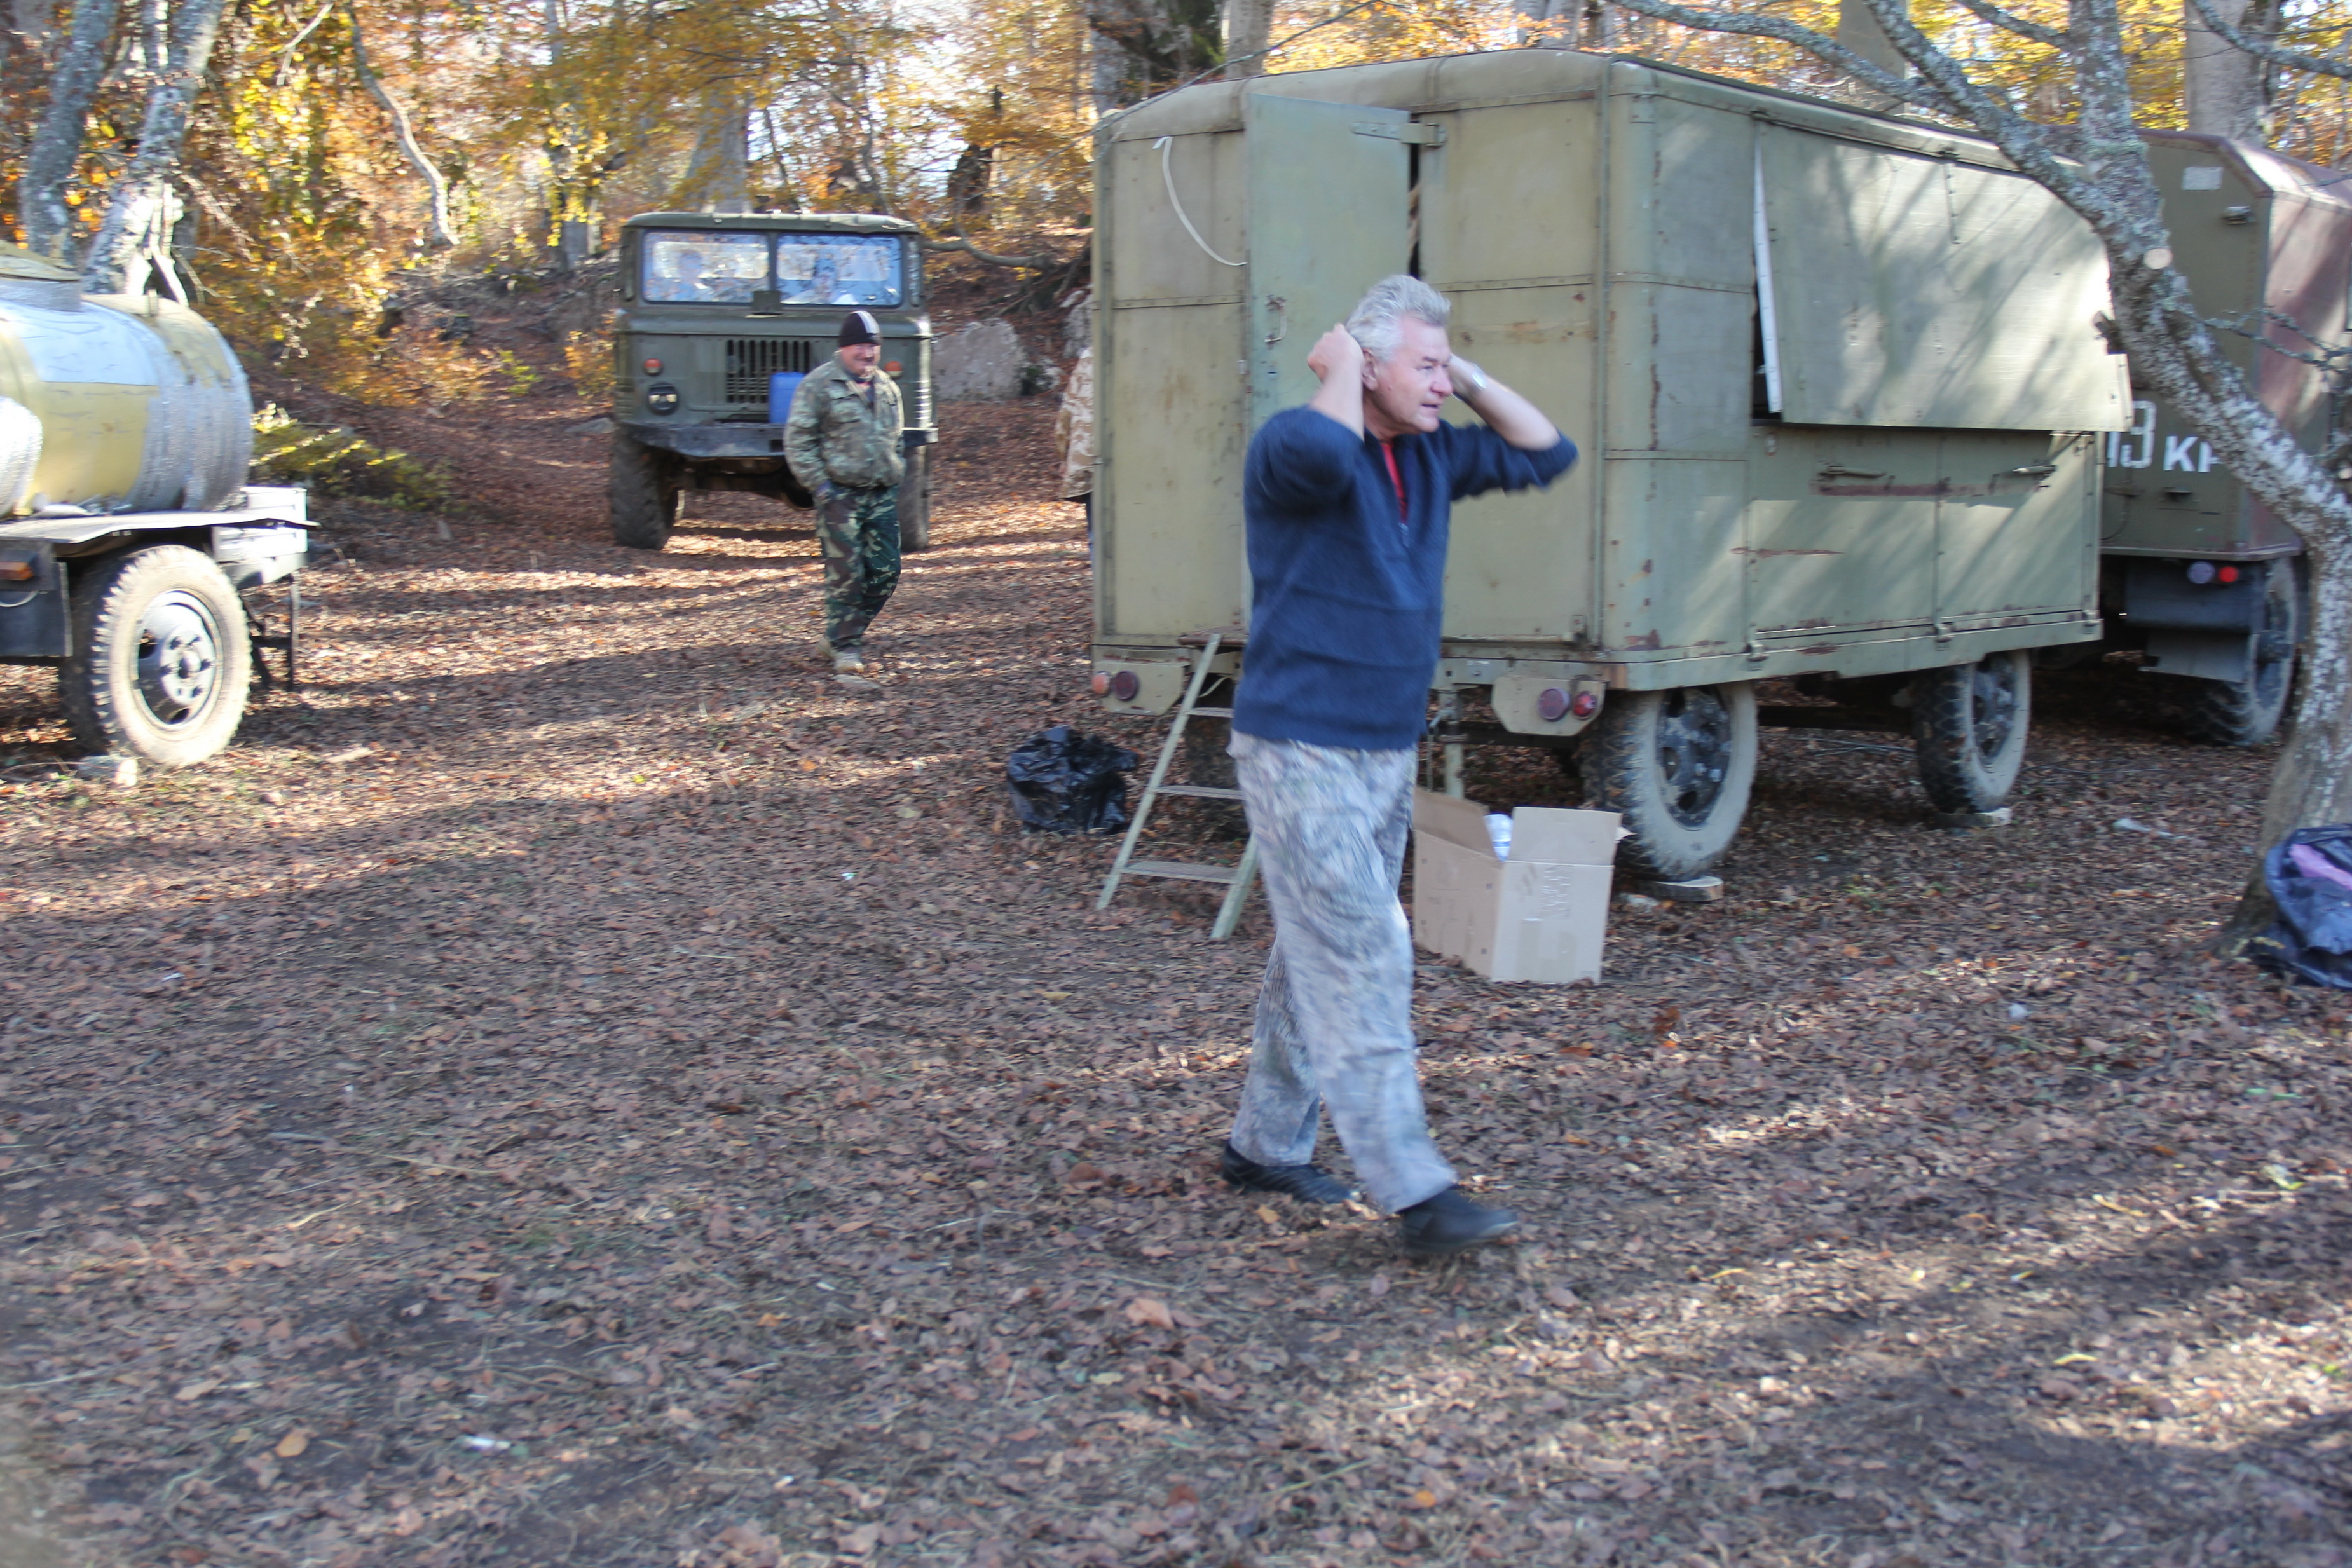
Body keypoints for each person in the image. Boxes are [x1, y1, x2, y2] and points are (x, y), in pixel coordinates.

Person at [1218, 275, 1576, 1259]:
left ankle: (1263, 1144)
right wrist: (1342, 367)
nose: (1443, 384)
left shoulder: (1434, 455)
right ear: (1365, 366)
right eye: (1425, 365)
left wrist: (1461, 372)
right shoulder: (1292, 444)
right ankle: (1418, 1191)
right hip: (1300, 749)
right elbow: (1323, 455)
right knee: (1367, 949)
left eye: (1446, 366)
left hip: (1382, 750)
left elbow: (1548, 450)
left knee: (1315, 952)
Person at [785, 310, 906, 675]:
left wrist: (895, 471)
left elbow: (898, 438)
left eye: (873, 347)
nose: (867, 354)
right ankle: (846, 650)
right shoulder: (819, 385)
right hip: (840, 496)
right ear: (844, 348)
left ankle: (835, 636)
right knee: (847, 576)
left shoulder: (887, 387)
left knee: (886, 573)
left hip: (881, 495)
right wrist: (822, 487)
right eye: (860, 347)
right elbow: (798, 441)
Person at [1054, 344, 1095, 536]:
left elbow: (1067, 410)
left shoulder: (1091, 355)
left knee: (1098, 532)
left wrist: (1064, 456)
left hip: (1088, 455)